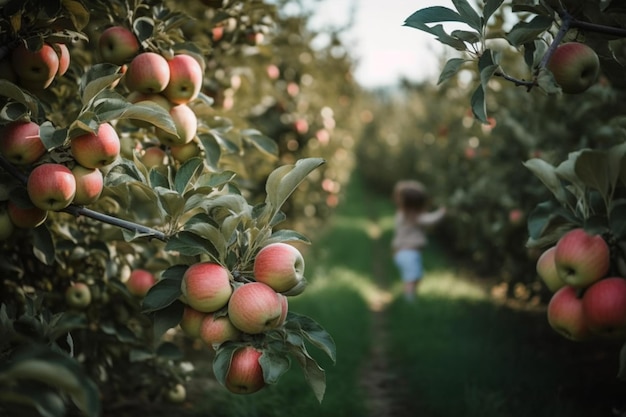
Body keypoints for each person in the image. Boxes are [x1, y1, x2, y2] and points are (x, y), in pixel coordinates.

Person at [391, 180, 446, 301]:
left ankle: (410, 297)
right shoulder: (414, 217)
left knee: (415, 278)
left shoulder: (401, 214)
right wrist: (442, 212)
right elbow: (430, 219)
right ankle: (409, 301)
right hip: (409, 254)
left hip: (402, 253)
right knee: (411, 280)